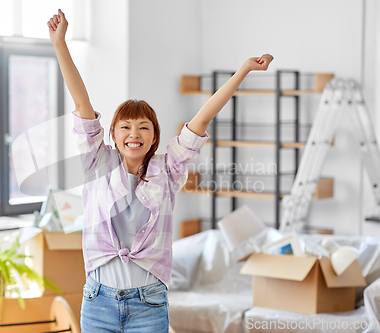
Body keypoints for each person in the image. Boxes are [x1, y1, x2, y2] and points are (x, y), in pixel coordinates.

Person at [48, 9, 273, 333]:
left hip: (149, 304)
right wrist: (60, 44)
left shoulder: (168, 168)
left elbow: (201, 120)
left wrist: (243, 71)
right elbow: (82, 103)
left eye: (143, 127)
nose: (134, 134)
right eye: (125, 127)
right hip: (98, 303)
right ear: (113, 134)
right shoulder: (97, 162)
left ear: (155, 136)